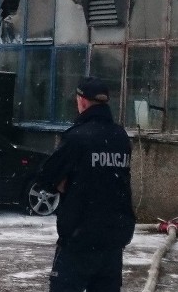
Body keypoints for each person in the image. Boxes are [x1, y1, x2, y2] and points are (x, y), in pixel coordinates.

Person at [35, 77, 135, 292]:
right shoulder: (120, 136)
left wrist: (64, 184)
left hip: (80, 237)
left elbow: (46, 176)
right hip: (113, 238)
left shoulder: (78, 137)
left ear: (82, 101)